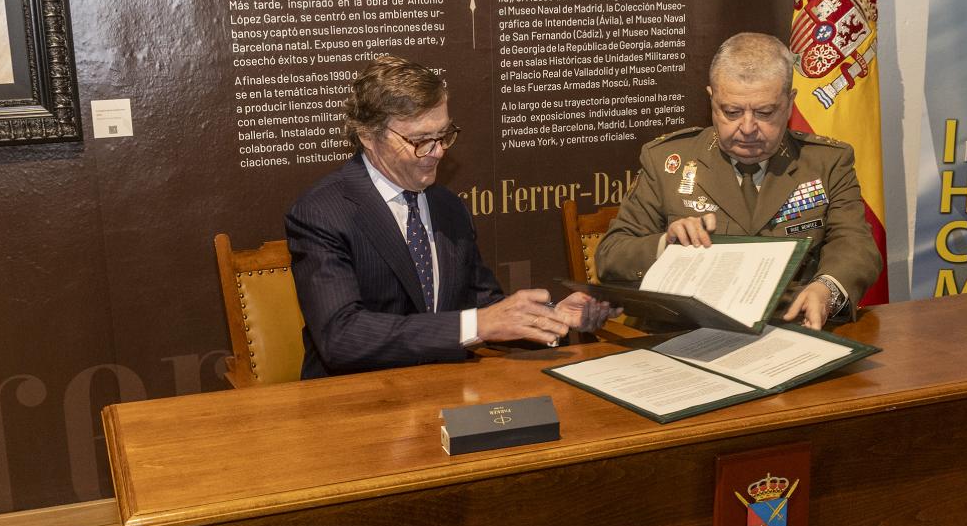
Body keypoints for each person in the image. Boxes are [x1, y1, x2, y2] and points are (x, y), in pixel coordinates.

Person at [287, 56, 617, 379]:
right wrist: (475, 325)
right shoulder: (323, 212)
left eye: (444, 135)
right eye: (419, 140)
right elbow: (342, 336)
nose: (438, 151)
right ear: (368, 136)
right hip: (354, 402)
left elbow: (483, 303)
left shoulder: (447, 206)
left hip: (444, 389)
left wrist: (550, 316)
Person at [596, 32, 882, 329]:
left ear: (789, 103)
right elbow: (611, 256)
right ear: (712, 100)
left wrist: (827, 289)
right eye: (731, 112)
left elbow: (855, 245)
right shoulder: (668, 161)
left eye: (764, 112)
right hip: (684, 332)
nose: (747, 127)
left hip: (789, 327)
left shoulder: (826, 162)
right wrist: (665, 244)